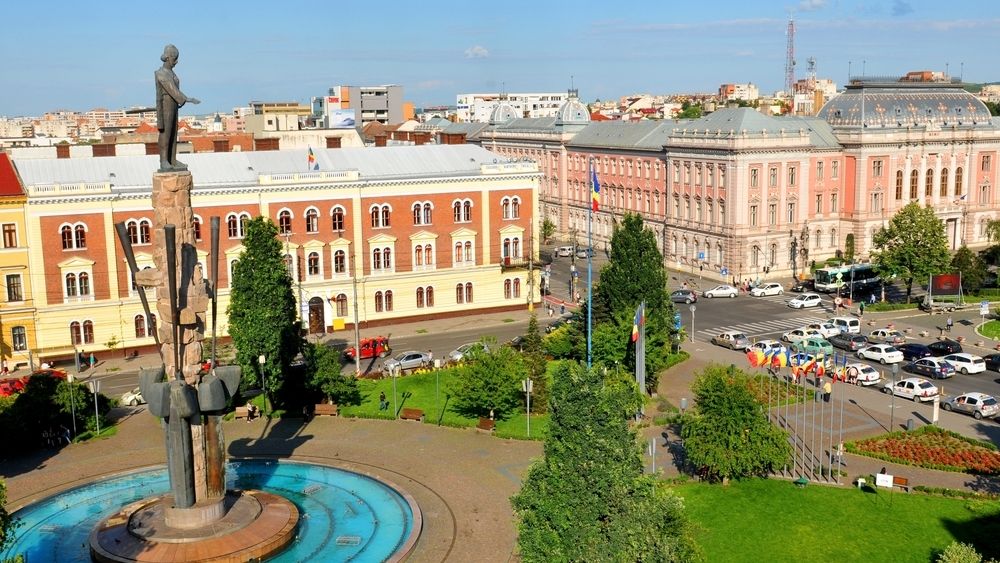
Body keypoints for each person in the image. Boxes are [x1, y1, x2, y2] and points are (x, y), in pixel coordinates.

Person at [155, 44, 200, 172]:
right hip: (166, 105)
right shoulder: (161, 73)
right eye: (175, 59)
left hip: (173, 104)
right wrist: (187, 98)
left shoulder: (171, 73)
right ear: (168, 58)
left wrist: (183, 99)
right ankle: (164, 160)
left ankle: (172, 160)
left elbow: (175, 91)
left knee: (173, 133)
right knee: (166, 132)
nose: (176, 62)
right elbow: (172, 89)